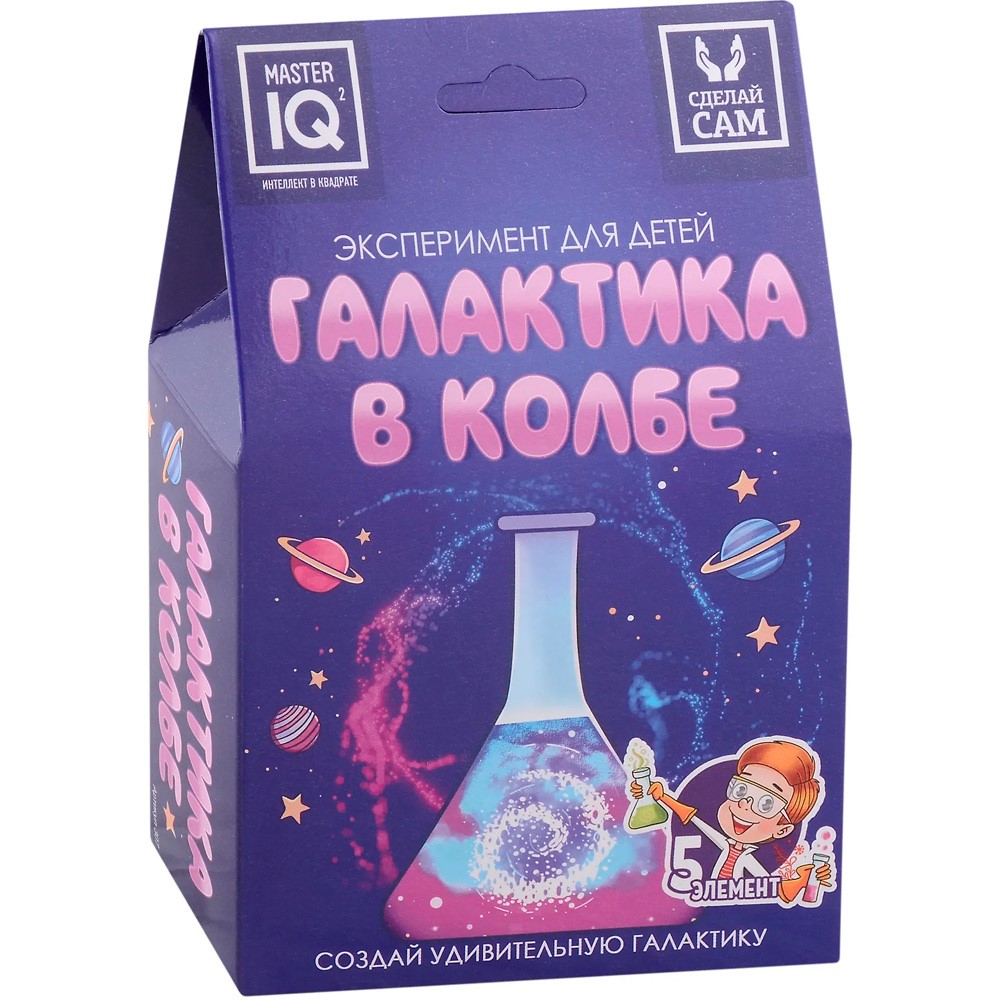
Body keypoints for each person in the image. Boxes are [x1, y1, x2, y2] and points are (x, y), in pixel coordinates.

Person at [631, 738, 832, 903]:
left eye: (766, 803)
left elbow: (786, 893)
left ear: (782, 830)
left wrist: (808, 878)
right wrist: (660, 796)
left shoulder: (771, 866)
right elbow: (682, 816)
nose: (744, 804)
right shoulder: (706, 833)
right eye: (741, 790)